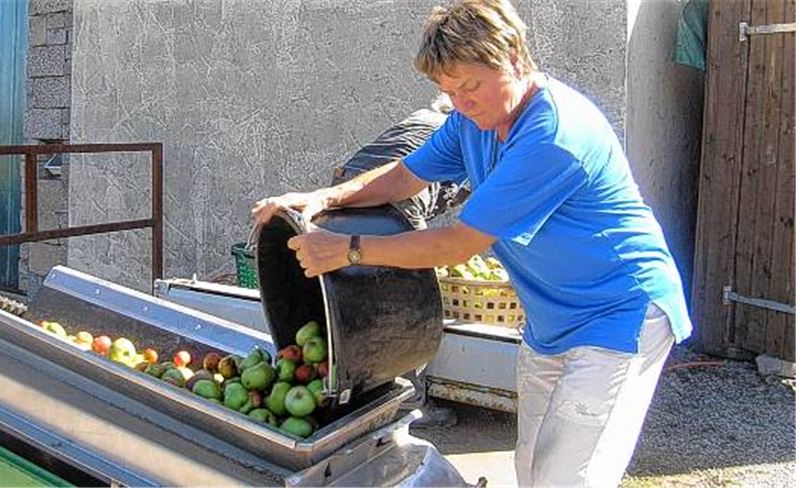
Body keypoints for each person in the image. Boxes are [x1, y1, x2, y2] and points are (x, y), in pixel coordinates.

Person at [251, 1, 692, 486]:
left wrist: (348, 249)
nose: (461, 103)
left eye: (471, 86)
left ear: (514, 59)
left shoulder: (552, 135)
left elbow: (459, 243)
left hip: (619, 313)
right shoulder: (472, 123)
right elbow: (405, 176)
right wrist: (323, 197)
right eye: (448, 91)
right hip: (551, 319)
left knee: (569, 477)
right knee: (532, 467)